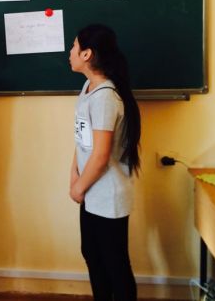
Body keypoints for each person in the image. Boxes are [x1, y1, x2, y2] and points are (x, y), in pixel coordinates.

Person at [68, 24, 141, 301]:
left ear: (87, 54)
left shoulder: (105, 97)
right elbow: (82, 141)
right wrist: (74, 175)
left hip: (107, 196)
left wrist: (78, 187)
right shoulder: (89, 88)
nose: (70, 52)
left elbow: (100, 155)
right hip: (91, 192)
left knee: (115, 264)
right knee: (92, 254)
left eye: (74, 47)